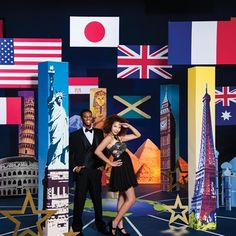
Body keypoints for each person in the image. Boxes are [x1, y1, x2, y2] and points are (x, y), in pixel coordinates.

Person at [95, 114, 141, 236]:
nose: (117, 129)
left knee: (122, 197)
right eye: (115, 126)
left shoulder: (119, 138)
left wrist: (129, 125)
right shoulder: (109, 138)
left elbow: (138, 135)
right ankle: (114, 223)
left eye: (119, 127)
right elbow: (97, 151)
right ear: (110, 126)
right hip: (121, 168)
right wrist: (110, 162)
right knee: (131, 199)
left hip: (126, 167)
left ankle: (120, 225)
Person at [69, 109, 109, 235]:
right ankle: (76, 228)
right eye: (85, 117)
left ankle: (100, 225)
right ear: (82, 119)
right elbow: (70, 154)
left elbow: (104, 150)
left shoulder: (99, 132)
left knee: (97, 200)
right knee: (79, 201)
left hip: (95, 172)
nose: (87, 118)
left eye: (89, 116)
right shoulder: (74, 135)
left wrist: (103, 165)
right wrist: (75, 168)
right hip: (82, 173)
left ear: (92, 118)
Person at [47, 66, 68, 168]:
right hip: (55, 128)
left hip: (63, 129)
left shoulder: (63, 109)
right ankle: (50, 161)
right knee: (54, 143)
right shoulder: (53, 106)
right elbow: (51, 93)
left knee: (61, 145)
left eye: (61, 97)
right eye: (58, 97)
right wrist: (51, 80)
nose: (60, 99)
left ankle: (58, 161)